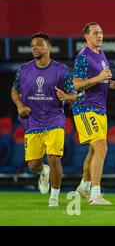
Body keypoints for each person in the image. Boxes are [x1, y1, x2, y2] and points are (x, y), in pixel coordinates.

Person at [10, 33, 77, 207]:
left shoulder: (61, 71)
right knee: (33, 165)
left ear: (49, 47)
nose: (35, 48)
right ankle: (43, 171)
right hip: (32, 121)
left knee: (54, 158)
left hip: (54, 119)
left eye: (39, 44)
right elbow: (14, 91)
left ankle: (54, 197)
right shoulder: (23, 70)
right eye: (33, 45)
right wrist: (19, 106)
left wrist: (66, 96)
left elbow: (75, 96)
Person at [73, 22, 115, 205]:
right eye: (95, 33)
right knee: (101, 148)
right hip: (86, 108)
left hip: (100, 110)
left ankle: (83, 187)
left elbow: (104, 82)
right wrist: (99, 77)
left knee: (94, 150)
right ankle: (95, 194)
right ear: (86, 36)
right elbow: (77, 84)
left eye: (101, 32)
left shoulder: (101, 55)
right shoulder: (83, 57)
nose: (100, 35)